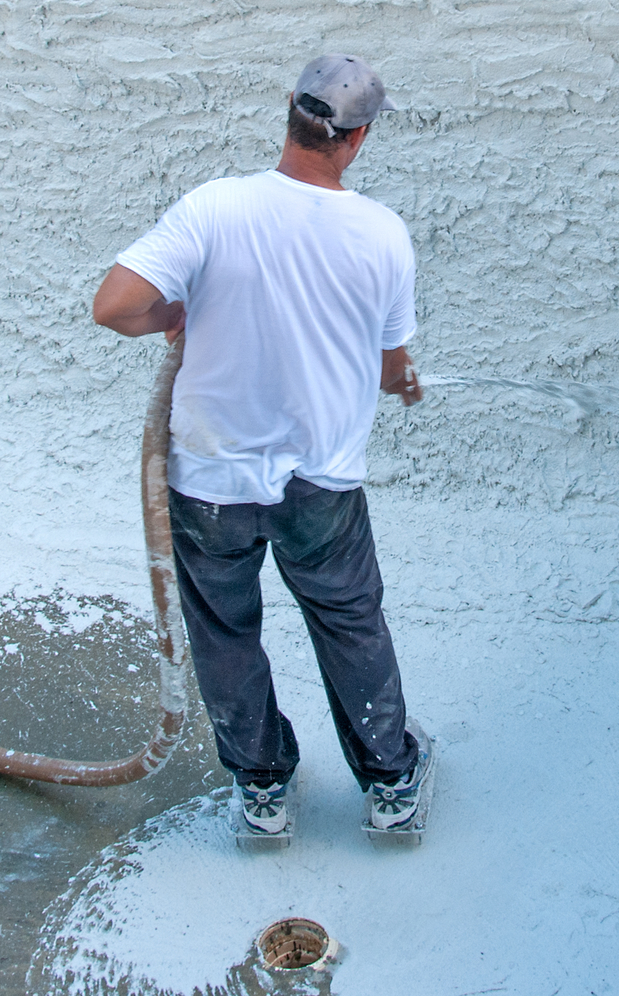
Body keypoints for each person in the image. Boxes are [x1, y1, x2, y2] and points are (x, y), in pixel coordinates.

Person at [90, 53, 432, 845]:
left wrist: (167, 316)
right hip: (320, 482)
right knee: (350, 626)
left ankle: (263, 789)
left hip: (209, 476)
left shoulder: (215, 207)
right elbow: (390, 367)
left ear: (290, 110)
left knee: (224, 633)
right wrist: (402, 378)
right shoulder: (381, 234)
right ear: (358, 139)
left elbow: (114, 306)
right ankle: (388, 784)